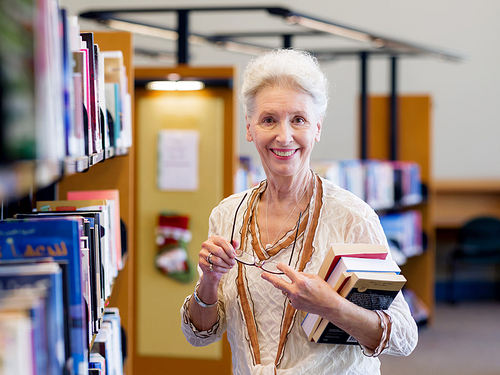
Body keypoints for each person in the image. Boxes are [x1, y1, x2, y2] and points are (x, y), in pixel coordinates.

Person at [181, 48, 418, 375]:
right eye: (268, 120)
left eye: (298, 120)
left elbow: (404, 337)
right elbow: (199, 335)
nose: (284, 136)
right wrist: (208, 281)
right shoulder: (227, 215)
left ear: (316, 128)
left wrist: (331, 306)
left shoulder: (352, 217)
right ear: (249, 129)